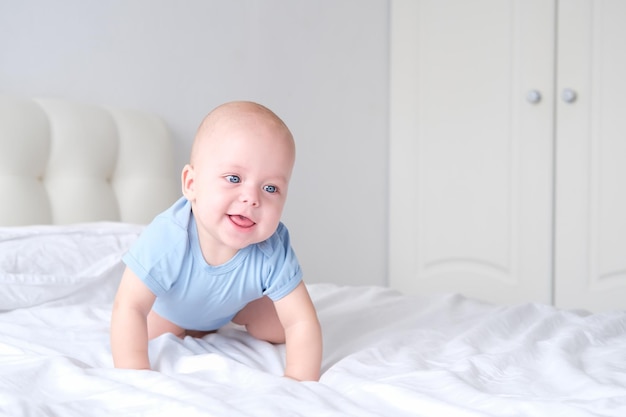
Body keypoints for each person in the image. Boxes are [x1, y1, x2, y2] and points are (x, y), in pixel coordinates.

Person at [110, 101, 322, 381]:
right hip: (170, 311)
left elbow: (301, 321)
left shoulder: (272, 246)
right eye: (234, 178)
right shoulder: (170, 236)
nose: (252, 198)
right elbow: (129, 305)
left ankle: (222, 319)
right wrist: (135, 377)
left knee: (282, 328)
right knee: (139, 330)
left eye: (270, 187)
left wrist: (298, 383)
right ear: (191, 184)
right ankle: (187, 328)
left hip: (234, 307)